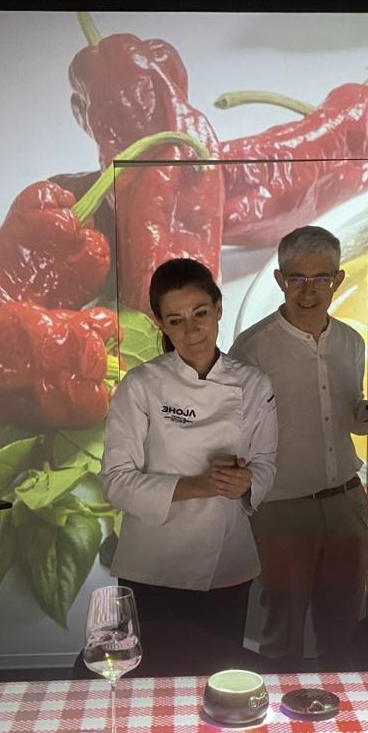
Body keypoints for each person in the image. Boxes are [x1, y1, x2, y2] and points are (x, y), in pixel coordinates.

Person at [230, 226, 368, 662]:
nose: (309, 291)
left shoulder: (350, 341)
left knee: (342, 628)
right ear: (279, 280)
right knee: (281, 631)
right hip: (280, 508)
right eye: (296, 279)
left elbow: (349, 417)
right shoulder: (251, 349)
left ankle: (338, 724)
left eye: (320, 278)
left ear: (338, 280)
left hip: (346, 500)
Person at [101, 258, 277, 645]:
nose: (192, 329)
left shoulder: (253, 383)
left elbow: (265, 465)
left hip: (227, 564)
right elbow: (116, 483)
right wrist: (200, 485)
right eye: (176, 319)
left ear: (218, 308)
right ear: (160, 324)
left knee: (220, 676)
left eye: (200, 313)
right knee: (151, 687)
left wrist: (247, 481)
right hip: (152, 566)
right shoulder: (141, 385)